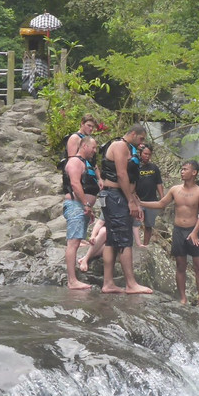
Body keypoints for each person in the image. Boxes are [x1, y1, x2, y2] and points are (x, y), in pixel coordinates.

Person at [142, 160, 199, 306]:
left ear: (194, 172)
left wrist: (195, 232)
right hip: (178, 230)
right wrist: (140, 203)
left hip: (193, 231)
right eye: (181, 169)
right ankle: (183, 298)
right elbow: (161, 204)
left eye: (185, 169)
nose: (182, 171)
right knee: (180, 265)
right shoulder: (175, 189)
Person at [99, 124, 152, 294]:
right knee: (124, 238)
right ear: (134, 134)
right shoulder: (120, 146)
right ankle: (131, 284)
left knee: (112, 240)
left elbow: (130, 179)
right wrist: (130, 201)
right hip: (115, 195)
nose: (142, 143)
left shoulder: (126, 147)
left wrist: (135, 199)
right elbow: (122, 174)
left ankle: (108, 283)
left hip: (114, 195)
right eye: (141, 139)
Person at [61, 137, 99, 290]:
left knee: (76, 242)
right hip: (76, 205)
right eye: (93, 148)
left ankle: (73, 279)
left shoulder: (85, 163)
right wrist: (86, 205)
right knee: (73, 242)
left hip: (81, 206)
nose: (95, 151)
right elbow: (75, 184)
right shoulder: (75, 162)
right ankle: (72, 281)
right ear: (84, 145)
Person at [133, 144, 164, 247]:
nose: (147, 156)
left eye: (149, 154)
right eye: (145, 154)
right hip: (138, 201)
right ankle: (135, 244)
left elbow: (159, 183)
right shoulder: (135, 167)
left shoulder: (154, 167)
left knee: (149, 225)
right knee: (135, 224)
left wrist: (162, 198)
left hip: (152, 201)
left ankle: (145, 245)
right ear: (140, 153)